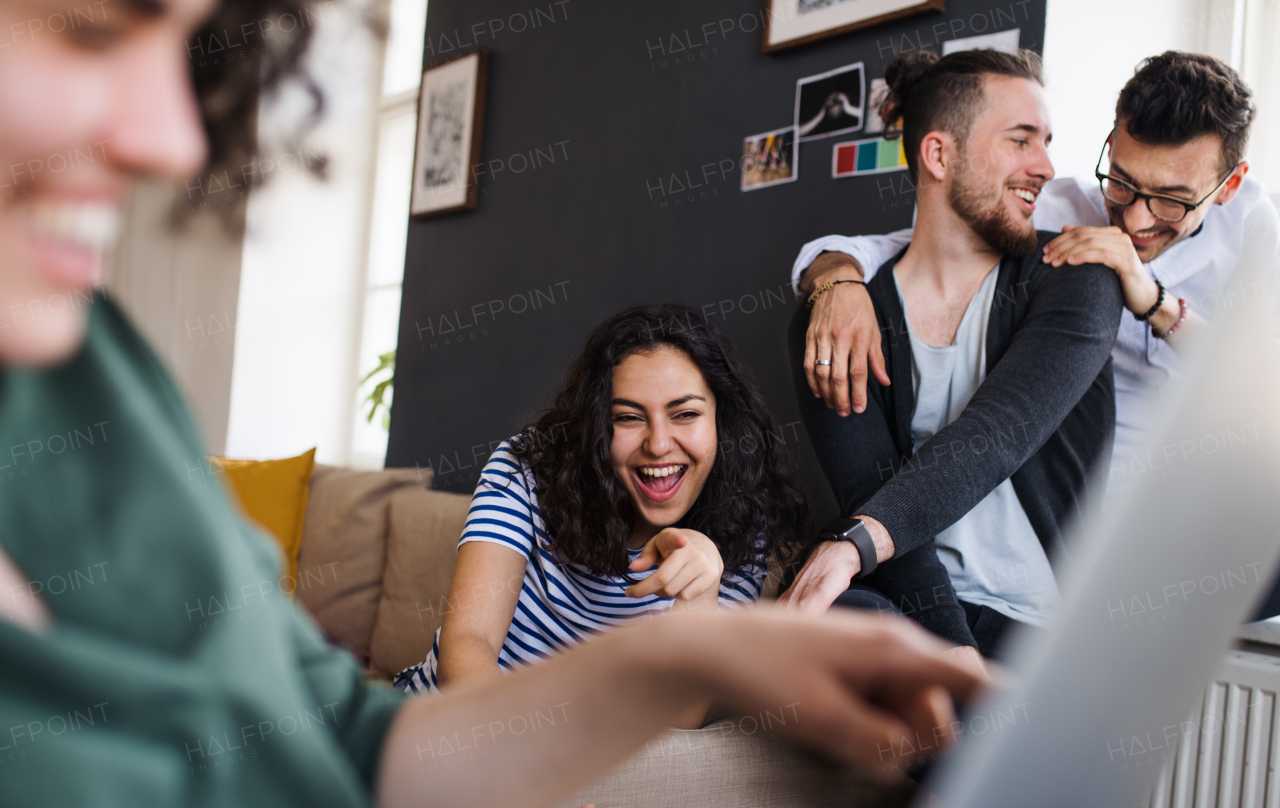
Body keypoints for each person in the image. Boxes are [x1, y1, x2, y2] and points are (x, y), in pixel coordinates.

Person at [0, 0, 985, 804]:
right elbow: (453, 663)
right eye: (93, 30)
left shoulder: (94, 378)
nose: (173, 142)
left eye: (685, 414)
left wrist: (710, 648)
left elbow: (354, 746)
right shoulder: (528, 468)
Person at [791, 52, 1279, 496]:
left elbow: (1263, 389)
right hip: (1064, 499)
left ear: (1229, 185)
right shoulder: (1058, 207)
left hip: (1203, 494)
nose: (1134, 220)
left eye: (1171, 201)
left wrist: (1156, 304)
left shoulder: (1258, 231)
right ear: (1111, 144)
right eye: (1123, 183)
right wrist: (839, 278)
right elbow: (926, 245)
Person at [777, 48, 1124, 663]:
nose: (1045, 166)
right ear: (939, 154)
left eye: (1046, 142)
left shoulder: (1077, 279)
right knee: (832, 618)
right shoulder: (834, 316)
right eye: (1021, 141)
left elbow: (996, 434)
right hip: (909, 607)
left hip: (1036, 624)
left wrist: (853, 546)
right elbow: (869, 484)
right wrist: (954, 651)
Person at [396, 305, 809, 709]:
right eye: (629, 418)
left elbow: (678, 721)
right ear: (597, 424)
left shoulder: (743, 530)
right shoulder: (525, 468)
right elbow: (468, 641)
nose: (659, 444)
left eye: (684, 413)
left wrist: (699, 592)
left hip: (580, 772)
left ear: (722, 421)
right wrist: (515, 752)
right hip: (444, 728)